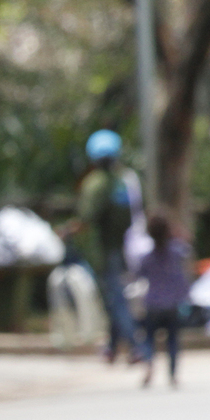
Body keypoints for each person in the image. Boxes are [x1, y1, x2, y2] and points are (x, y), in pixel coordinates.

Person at [72, 129, 141, 363]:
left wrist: (68, 231)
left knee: (116, 299)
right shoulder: (121, 182)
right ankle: (112, 348)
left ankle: (134, 346)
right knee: (115, 295)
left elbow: (86, 218)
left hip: (103, 251)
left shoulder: (95, 184)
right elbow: (131, 217)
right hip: (121, 248)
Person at [135, 213, 191, 388]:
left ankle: (149, 363)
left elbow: (139, 274)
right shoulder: (176, 252)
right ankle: (173, 375)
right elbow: (187, 248)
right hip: (173, 304)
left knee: (149, 338)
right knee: (173, 339)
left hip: (153, 304)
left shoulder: (147, 257)